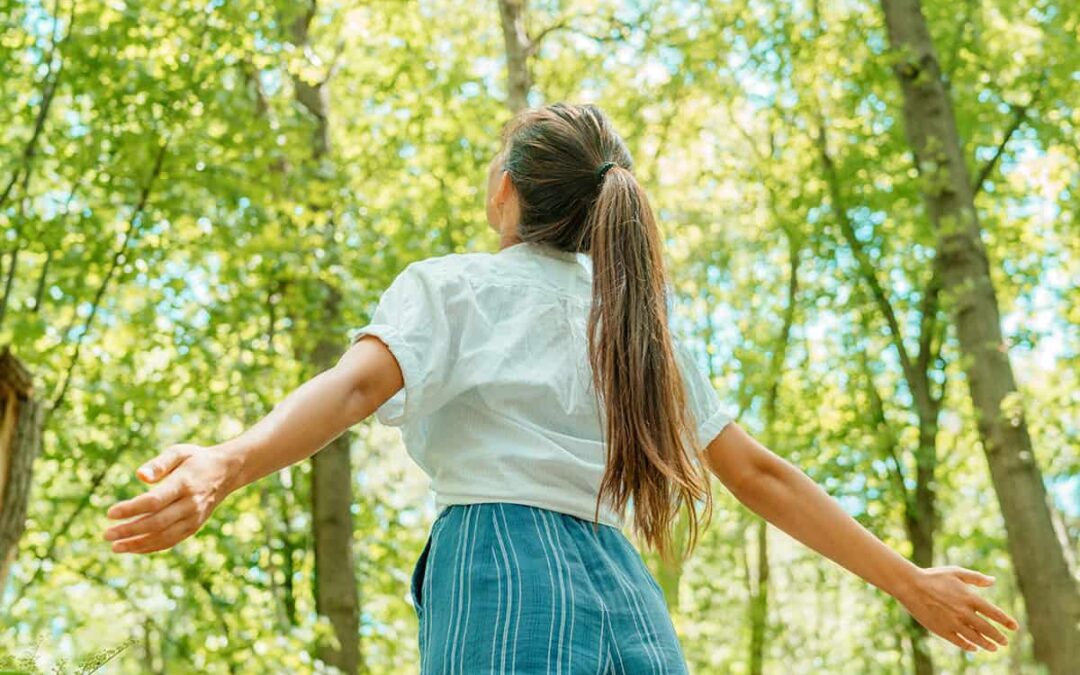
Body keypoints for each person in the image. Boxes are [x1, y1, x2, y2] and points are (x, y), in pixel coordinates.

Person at [103, 103, 1018, 672]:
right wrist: (909, 582)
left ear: (507, 189)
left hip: (497, 562)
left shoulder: (457, 284)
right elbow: (762, 475)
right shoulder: (636, 325)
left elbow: (348, 392)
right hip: (623, 585)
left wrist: (228, 459)